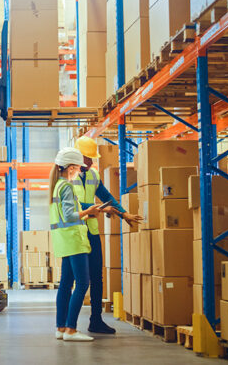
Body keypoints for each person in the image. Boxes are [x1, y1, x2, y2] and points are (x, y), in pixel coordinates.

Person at [73, 136, 143, 334]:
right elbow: (74, 206)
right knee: (76, 281)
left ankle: (96, 320)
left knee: (97, 278)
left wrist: (124, 213)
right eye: (87, 158)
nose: (90, 162)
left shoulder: (93, 175)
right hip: (75, 234)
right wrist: (99, 209)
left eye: (91, 159)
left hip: (92, 233)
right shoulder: (68, 176)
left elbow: (107, 198)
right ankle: (69, 325)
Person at [50, 147, 112, 342]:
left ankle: (61, 328)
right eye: (78, 167)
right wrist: (89, 211)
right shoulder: (67, 187)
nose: (80, 171)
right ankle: (71, 329)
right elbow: (69, 215)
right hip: (74, 239)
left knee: (66, 283)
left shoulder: (57, 185)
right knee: (83, 283)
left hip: (64, 240)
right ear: (70, 167)